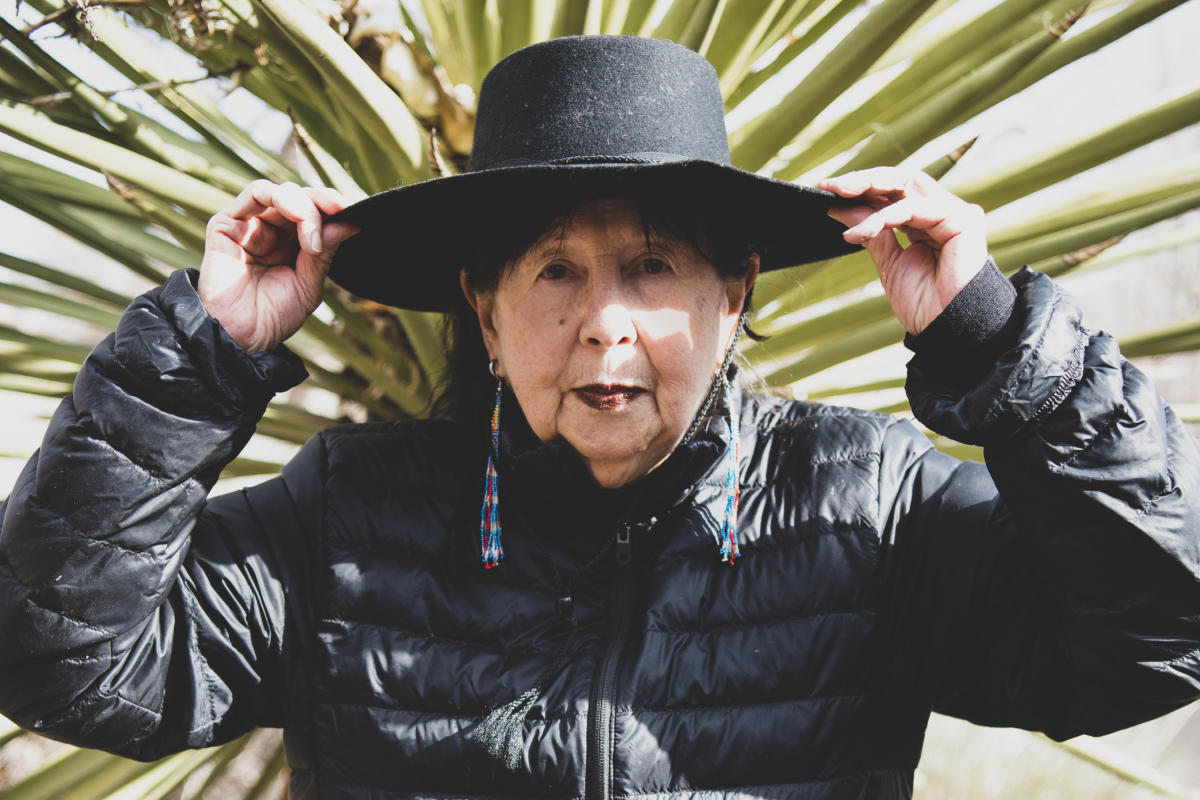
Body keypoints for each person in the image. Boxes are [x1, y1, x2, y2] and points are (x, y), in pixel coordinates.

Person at [0, 34, 1197, 800]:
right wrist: (199, 355)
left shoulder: (869, 507)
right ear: (484, 307)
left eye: (655, 266)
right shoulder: (348, 516)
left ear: (734, 297)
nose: (605, 321)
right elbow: (62, 664)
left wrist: (993, 335)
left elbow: (1158, 633)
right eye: (556, 270)